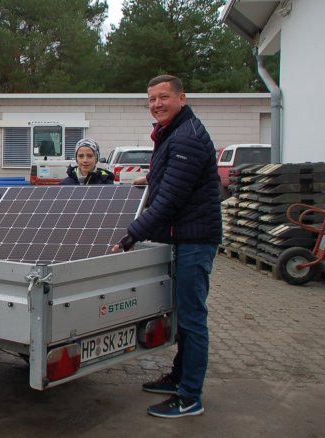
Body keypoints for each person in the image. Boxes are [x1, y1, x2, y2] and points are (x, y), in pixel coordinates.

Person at [112, 75, 221, 418]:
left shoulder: (186, 137)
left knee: (191, 318)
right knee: (183, 316)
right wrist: (151, 178)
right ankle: (178, 378)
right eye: (152, 99)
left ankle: (190, 396)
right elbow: (170, 182)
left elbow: (170, 200)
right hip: (184, 236)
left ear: (182, 98)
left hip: (194, 240)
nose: (157, 104)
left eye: (163, 97)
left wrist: (131, 234)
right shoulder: (175, 131)